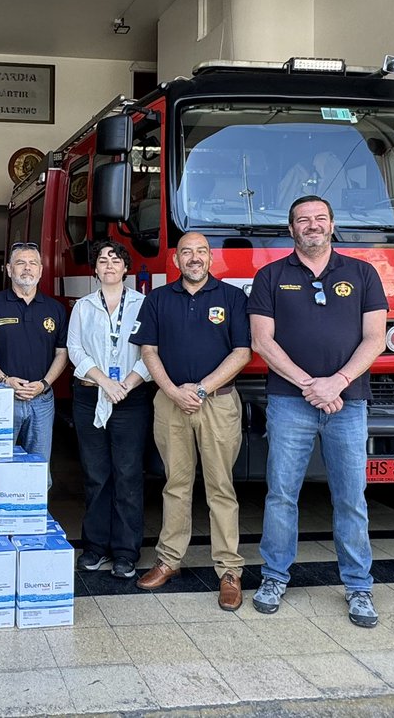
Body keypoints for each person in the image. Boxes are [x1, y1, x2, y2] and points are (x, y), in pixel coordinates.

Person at [247, 195, 388, 628]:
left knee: (350, 498)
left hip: (348, 403)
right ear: (291, 229)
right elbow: (262, 342)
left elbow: (375, 339)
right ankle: (273, 577)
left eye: (319, 219)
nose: (312, 226)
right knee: (281, 495)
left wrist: (337, 382)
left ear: (331, 226)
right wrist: (311, 385)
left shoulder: (363, 274)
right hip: (291, 403)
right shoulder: (270, 276)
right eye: (303, 220)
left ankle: (359, 587)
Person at [130, 232, 251, 610]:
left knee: (221, 488)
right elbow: (148, 350)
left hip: (217, 403)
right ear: (176, 260)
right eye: (186, 252)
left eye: (201, 252)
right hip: (170, 404)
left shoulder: (232, 298)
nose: (194, 258)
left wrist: (199, 389)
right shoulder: (158, 299)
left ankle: (229, 570)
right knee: (176, 485)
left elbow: (243, 352)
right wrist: (171, 390)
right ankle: (169, 560)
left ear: (210, 258)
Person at [65, 241, 153, 580]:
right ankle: (95, 547)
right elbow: (74, 348)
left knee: (128, 474)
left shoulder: (144, 304)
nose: (108, 264)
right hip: (91, 395)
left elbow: (150, 351)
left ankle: (126, 551)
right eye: (102, 260)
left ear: (126, 268)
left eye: (115, 259)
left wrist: (126, 385)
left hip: (131, 398)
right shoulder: (84, 306)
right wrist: (105, 382)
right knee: (96, 474)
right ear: (96, 269)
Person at [0, 242, 68, 468]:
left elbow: (62, 353)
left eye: (33, 263)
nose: (27, 268)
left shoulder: (55, 309)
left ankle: (38, 504)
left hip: (41, 400)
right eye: (20, 263)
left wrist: (44, 383)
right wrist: (4, 380)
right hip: (3, 399)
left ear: (41, 270)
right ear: (9, 269)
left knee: (38, 467)